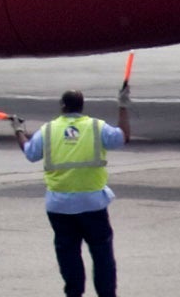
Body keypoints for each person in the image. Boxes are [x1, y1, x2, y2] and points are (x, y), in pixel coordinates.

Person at [21, 88, 125, 296]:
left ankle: (74, 293)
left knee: (68, 255)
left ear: (62, 106)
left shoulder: (48, 130)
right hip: (92, 203)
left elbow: (31, 153)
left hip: (59, 206)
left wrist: (19, 131)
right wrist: (123, 107)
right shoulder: (96, 127)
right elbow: (122, 137)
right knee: (102, 254)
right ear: (82, 106)